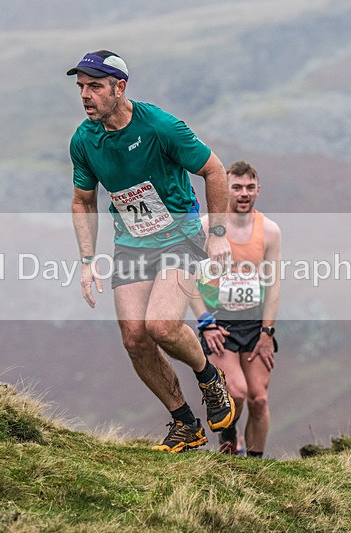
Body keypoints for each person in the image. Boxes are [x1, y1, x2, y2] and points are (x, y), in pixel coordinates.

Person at [68, 50, 235, 452]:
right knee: (135, 338)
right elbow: (83, 201)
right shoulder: (83, 140)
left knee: (162, 326)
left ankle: (209, 377)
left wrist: (217, 234)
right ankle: (185, 423)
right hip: (131, 242)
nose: (85, 96)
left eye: (94, 86)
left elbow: (215, 170)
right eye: (81, 88)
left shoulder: (160, 126)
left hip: (180, 235)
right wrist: (88, 262)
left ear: (119, 87)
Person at [190, 161, 281, 458]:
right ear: (225, 189)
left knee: (258, 399)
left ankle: (255, 466)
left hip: (254, 325)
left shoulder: (269, 231)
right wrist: (205, 322)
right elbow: (186, 277)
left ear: (259, 190)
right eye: (237, 187)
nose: (244, 194)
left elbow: (274, 285)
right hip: (220, 324)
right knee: (236, 392)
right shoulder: (207, 227)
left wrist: (268, 332)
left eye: (250, 188)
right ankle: (230, 445)